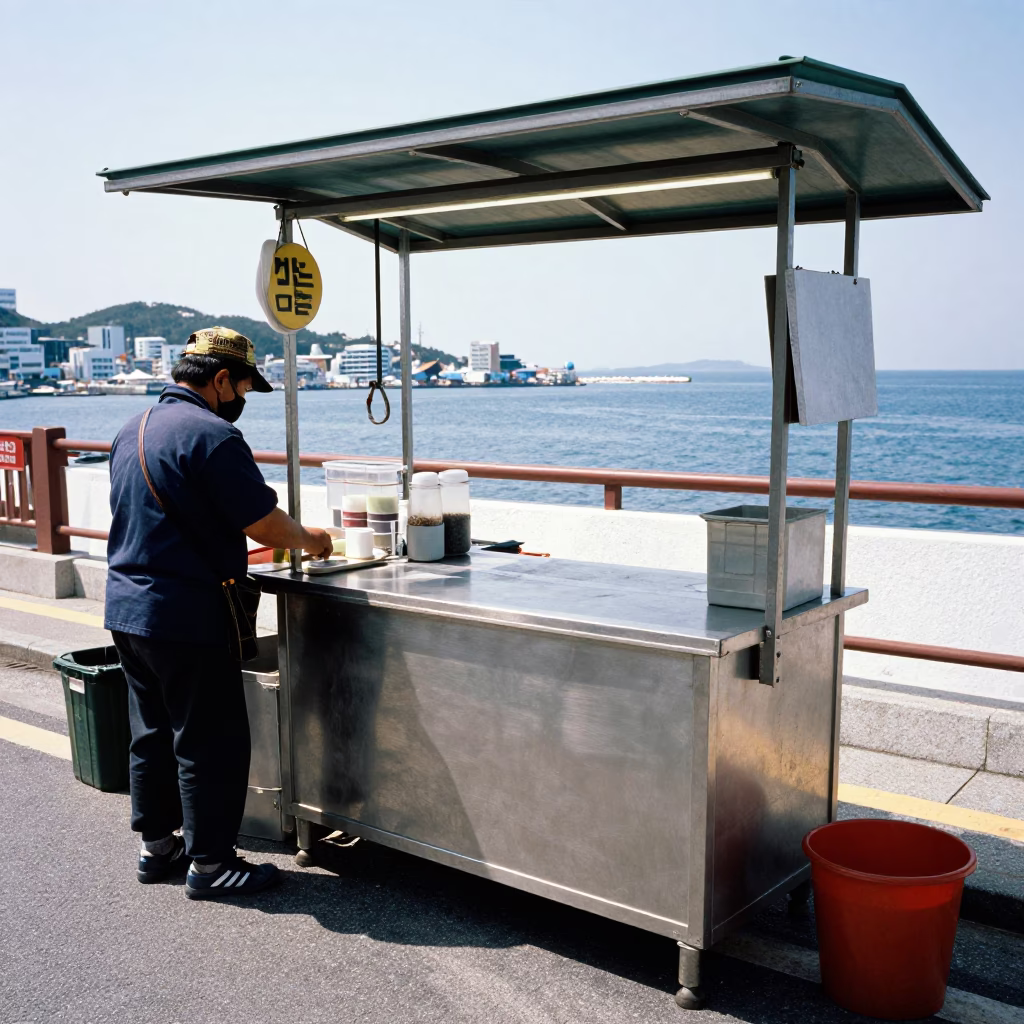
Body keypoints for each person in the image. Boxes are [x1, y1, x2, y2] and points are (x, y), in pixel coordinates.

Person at [104, 326, 332, 899]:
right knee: (211, 739)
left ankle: (158, 848)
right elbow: (262, 522)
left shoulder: (132, 430)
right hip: (186, 613)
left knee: (152, 732)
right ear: (221, 379)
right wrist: (314, 541)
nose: (244, 401)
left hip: (127, 608)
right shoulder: (211, 437)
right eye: (243, 388)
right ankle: (211, 864)